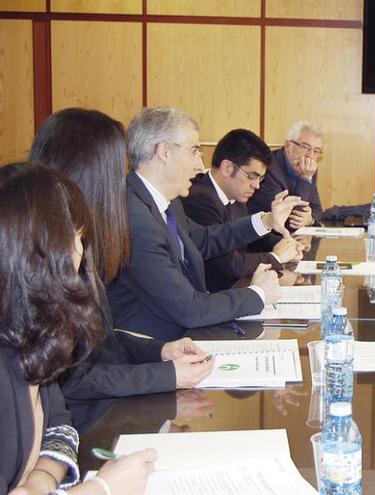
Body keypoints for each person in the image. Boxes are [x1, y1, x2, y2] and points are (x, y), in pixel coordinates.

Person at [29, 107, 213, 409]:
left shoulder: (79, 242)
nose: (124, 182)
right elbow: (71, 379)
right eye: (118, 170)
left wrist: (160, 352)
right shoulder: (47, 257)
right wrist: (165, 375)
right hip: (86, 423)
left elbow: (100, 345)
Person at [0, 162, 155, 495]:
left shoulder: (33, 336)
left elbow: (61, 426)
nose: (81, 253)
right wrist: (101, 488)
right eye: (77, 239)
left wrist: (38, 484)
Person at [108, 106, 296, 341]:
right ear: (164, 152)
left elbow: (204, 240)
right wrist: (257, 294)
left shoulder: (169, 202)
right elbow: (189, 309)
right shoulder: (134, 218)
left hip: (185, 332)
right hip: (153, 348)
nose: (200, 165)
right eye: (195, 151)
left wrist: (267, 220)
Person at [182, 128, 305, 292]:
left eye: (260, 178)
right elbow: (230, 265)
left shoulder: (236, 195)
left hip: (238, 286)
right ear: (227, 168)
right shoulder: (199, 198)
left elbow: (249, 239)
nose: (257, 185)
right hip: (214, 295)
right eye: (251, 176)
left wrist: (285, 244)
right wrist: (276, 257)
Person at [249, 121, 323, 227]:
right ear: (288, 146)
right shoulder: (267, 167)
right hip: (263, 237)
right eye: (306, 147)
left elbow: (317, 209)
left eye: (316, 151)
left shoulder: (309, 168)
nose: (310, 155)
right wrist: (305, 178)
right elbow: (288, 219)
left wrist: (310, 219)